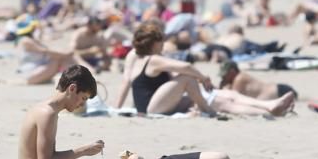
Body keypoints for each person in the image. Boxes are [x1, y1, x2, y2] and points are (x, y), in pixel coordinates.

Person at [116, 21, 294, 116]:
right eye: (161, 41)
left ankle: (269, 106)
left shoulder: (136, 57)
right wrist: (203, 78)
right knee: (193, 82)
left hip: (161, 101)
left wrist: (116, 108)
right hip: (151, 107)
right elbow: (186, 67)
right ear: (154, 43)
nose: (163, 44)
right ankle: (208, 111)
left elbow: (127, 83)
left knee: (226, 96)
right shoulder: (153, 59)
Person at [14, 65, 115, 159]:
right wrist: (83, 151)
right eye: (83, 98)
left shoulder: (46, 109)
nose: (82, 104)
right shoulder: (47, 114)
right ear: (72, 89)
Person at [219, 61, 297, 101]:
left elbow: (232, 98)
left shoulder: (239, 79)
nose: (223, 77)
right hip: (279, 90)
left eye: (224, 75)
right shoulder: (238, 78)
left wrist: (224, 88)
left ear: (232, 72)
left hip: (280, 92)